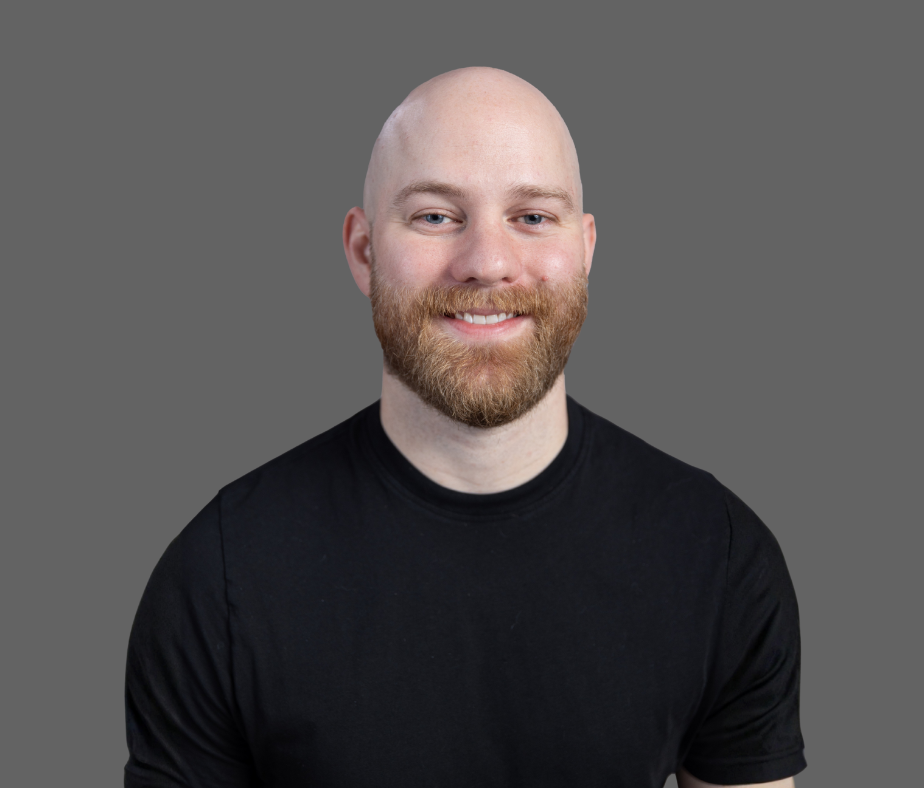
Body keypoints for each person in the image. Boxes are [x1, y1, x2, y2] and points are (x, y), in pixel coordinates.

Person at [124, 68, 805, 788]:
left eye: (532, 217)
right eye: (435, 217)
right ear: (363, 252)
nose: (487, 263)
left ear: (585, 250)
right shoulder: (220, 577)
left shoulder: (716, 553)